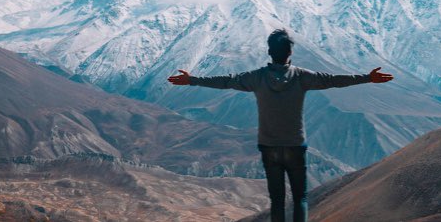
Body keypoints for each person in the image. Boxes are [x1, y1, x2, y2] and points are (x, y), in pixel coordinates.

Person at [167, 29, 393, 222]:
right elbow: (333, 80)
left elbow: (226, 81)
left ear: (269, 52)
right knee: (300, 198)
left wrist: (192, 80)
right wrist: (368, 77)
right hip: (295, 145)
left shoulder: (256, 77)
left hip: (269, 146)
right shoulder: (302, 76)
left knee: (277, 199)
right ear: (290, 53)